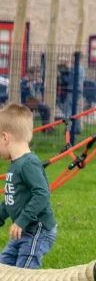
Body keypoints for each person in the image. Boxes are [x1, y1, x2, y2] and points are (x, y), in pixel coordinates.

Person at [0, 103, 57, 268]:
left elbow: (42, 194)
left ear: (5, 138)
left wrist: (21, 221)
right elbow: (12, 199)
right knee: (4, 267)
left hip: (37, 230)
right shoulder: (16, 163)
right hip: (23, 230)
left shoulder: (28, 164)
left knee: (23, 273)